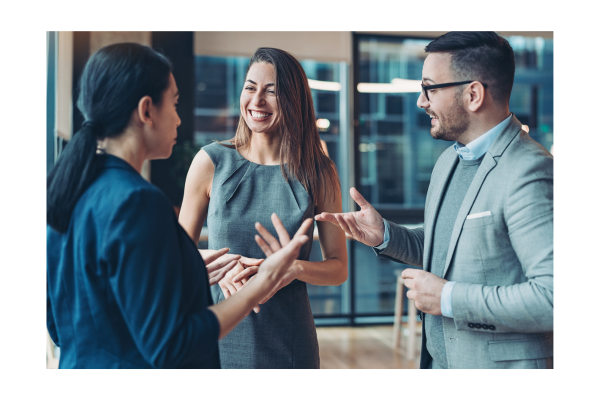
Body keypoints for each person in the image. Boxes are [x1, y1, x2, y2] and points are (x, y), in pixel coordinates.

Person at [46, 43, 312, 369]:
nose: (178, 119)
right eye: (173, 103)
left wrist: (186, 269)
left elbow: (59, 325)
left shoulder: (69, 187)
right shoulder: (138, 201)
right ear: (147, 111)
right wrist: (262, 283)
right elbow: (172, 345)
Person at [316, 32, 553, 369]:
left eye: (430, 88)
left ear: (473, 94)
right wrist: (385, 234)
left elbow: (554, 297)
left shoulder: (529, 170)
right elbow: (447, 249)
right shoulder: (448, 162)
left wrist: (449, 299)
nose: (421, 101)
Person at [179, 47, 348, 368]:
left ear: (294, 100)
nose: (257, 101)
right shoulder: (210, 162)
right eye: (250, 87)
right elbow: (174, 260)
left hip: (289, 338)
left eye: (272, 92)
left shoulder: (319, 171)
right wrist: (216, 265)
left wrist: (294, 268)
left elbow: (338, 268)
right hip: (218, 330)